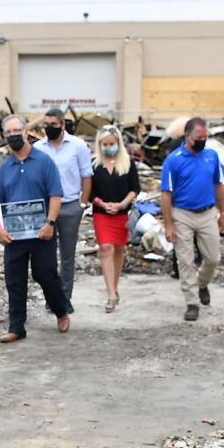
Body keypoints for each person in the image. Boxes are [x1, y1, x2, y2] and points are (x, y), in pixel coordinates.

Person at [0, 114, 72, 343]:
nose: (13, 135)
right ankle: (17, 327)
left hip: (41, 232)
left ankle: (60, 310)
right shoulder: (3, 168)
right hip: (14, 235)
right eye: (8, 133)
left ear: (27, 132)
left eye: (17, 130)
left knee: (46, 275)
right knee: (14, 280)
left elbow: (55, 195)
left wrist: (50, 223)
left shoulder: (44, 161)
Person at [160, 117, 224, 322]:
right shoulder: (173, 160)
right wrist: (168, 224)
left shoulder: (211, 156)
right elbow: (166, 194)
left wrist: (223, 212)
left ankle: (202, 283)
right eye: (199, 137)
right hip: (182, 214)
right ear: (187, 137)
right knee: (185, 260)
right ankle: (191, 302)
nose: (203, 140)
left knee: (213, 257)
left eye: (206, 137)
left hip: (207, 213)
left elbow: (218, 185)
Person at [33, 107, 93, 304]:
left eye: (54, 125)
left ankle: (65, 299)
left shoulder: (78, 146)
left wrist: (82, 203)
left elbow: (86, 175)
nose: (49, 128)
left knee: (67, 256)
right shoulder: (39, 148)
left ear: (63, 124)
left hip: (69, 206)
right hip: (46, 208)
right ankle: (53, 298)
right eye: (46, 125)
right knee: (47, 257)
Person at [89, 126, 140, 313]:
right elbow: (89, 191)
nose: (108, 147)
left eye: (111, 144)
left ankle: (114, 286)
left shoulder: (127, 164)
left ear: (118, 143)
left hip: (122, 213)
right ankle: (110, 294)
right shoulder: (94, 165)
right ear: (99, 145)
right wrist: (102, 204)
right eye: (104, 144)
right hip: (101, 213)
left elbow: (135, 188)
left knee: (119, 249)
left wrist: (122, 204)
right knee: (105, 248)